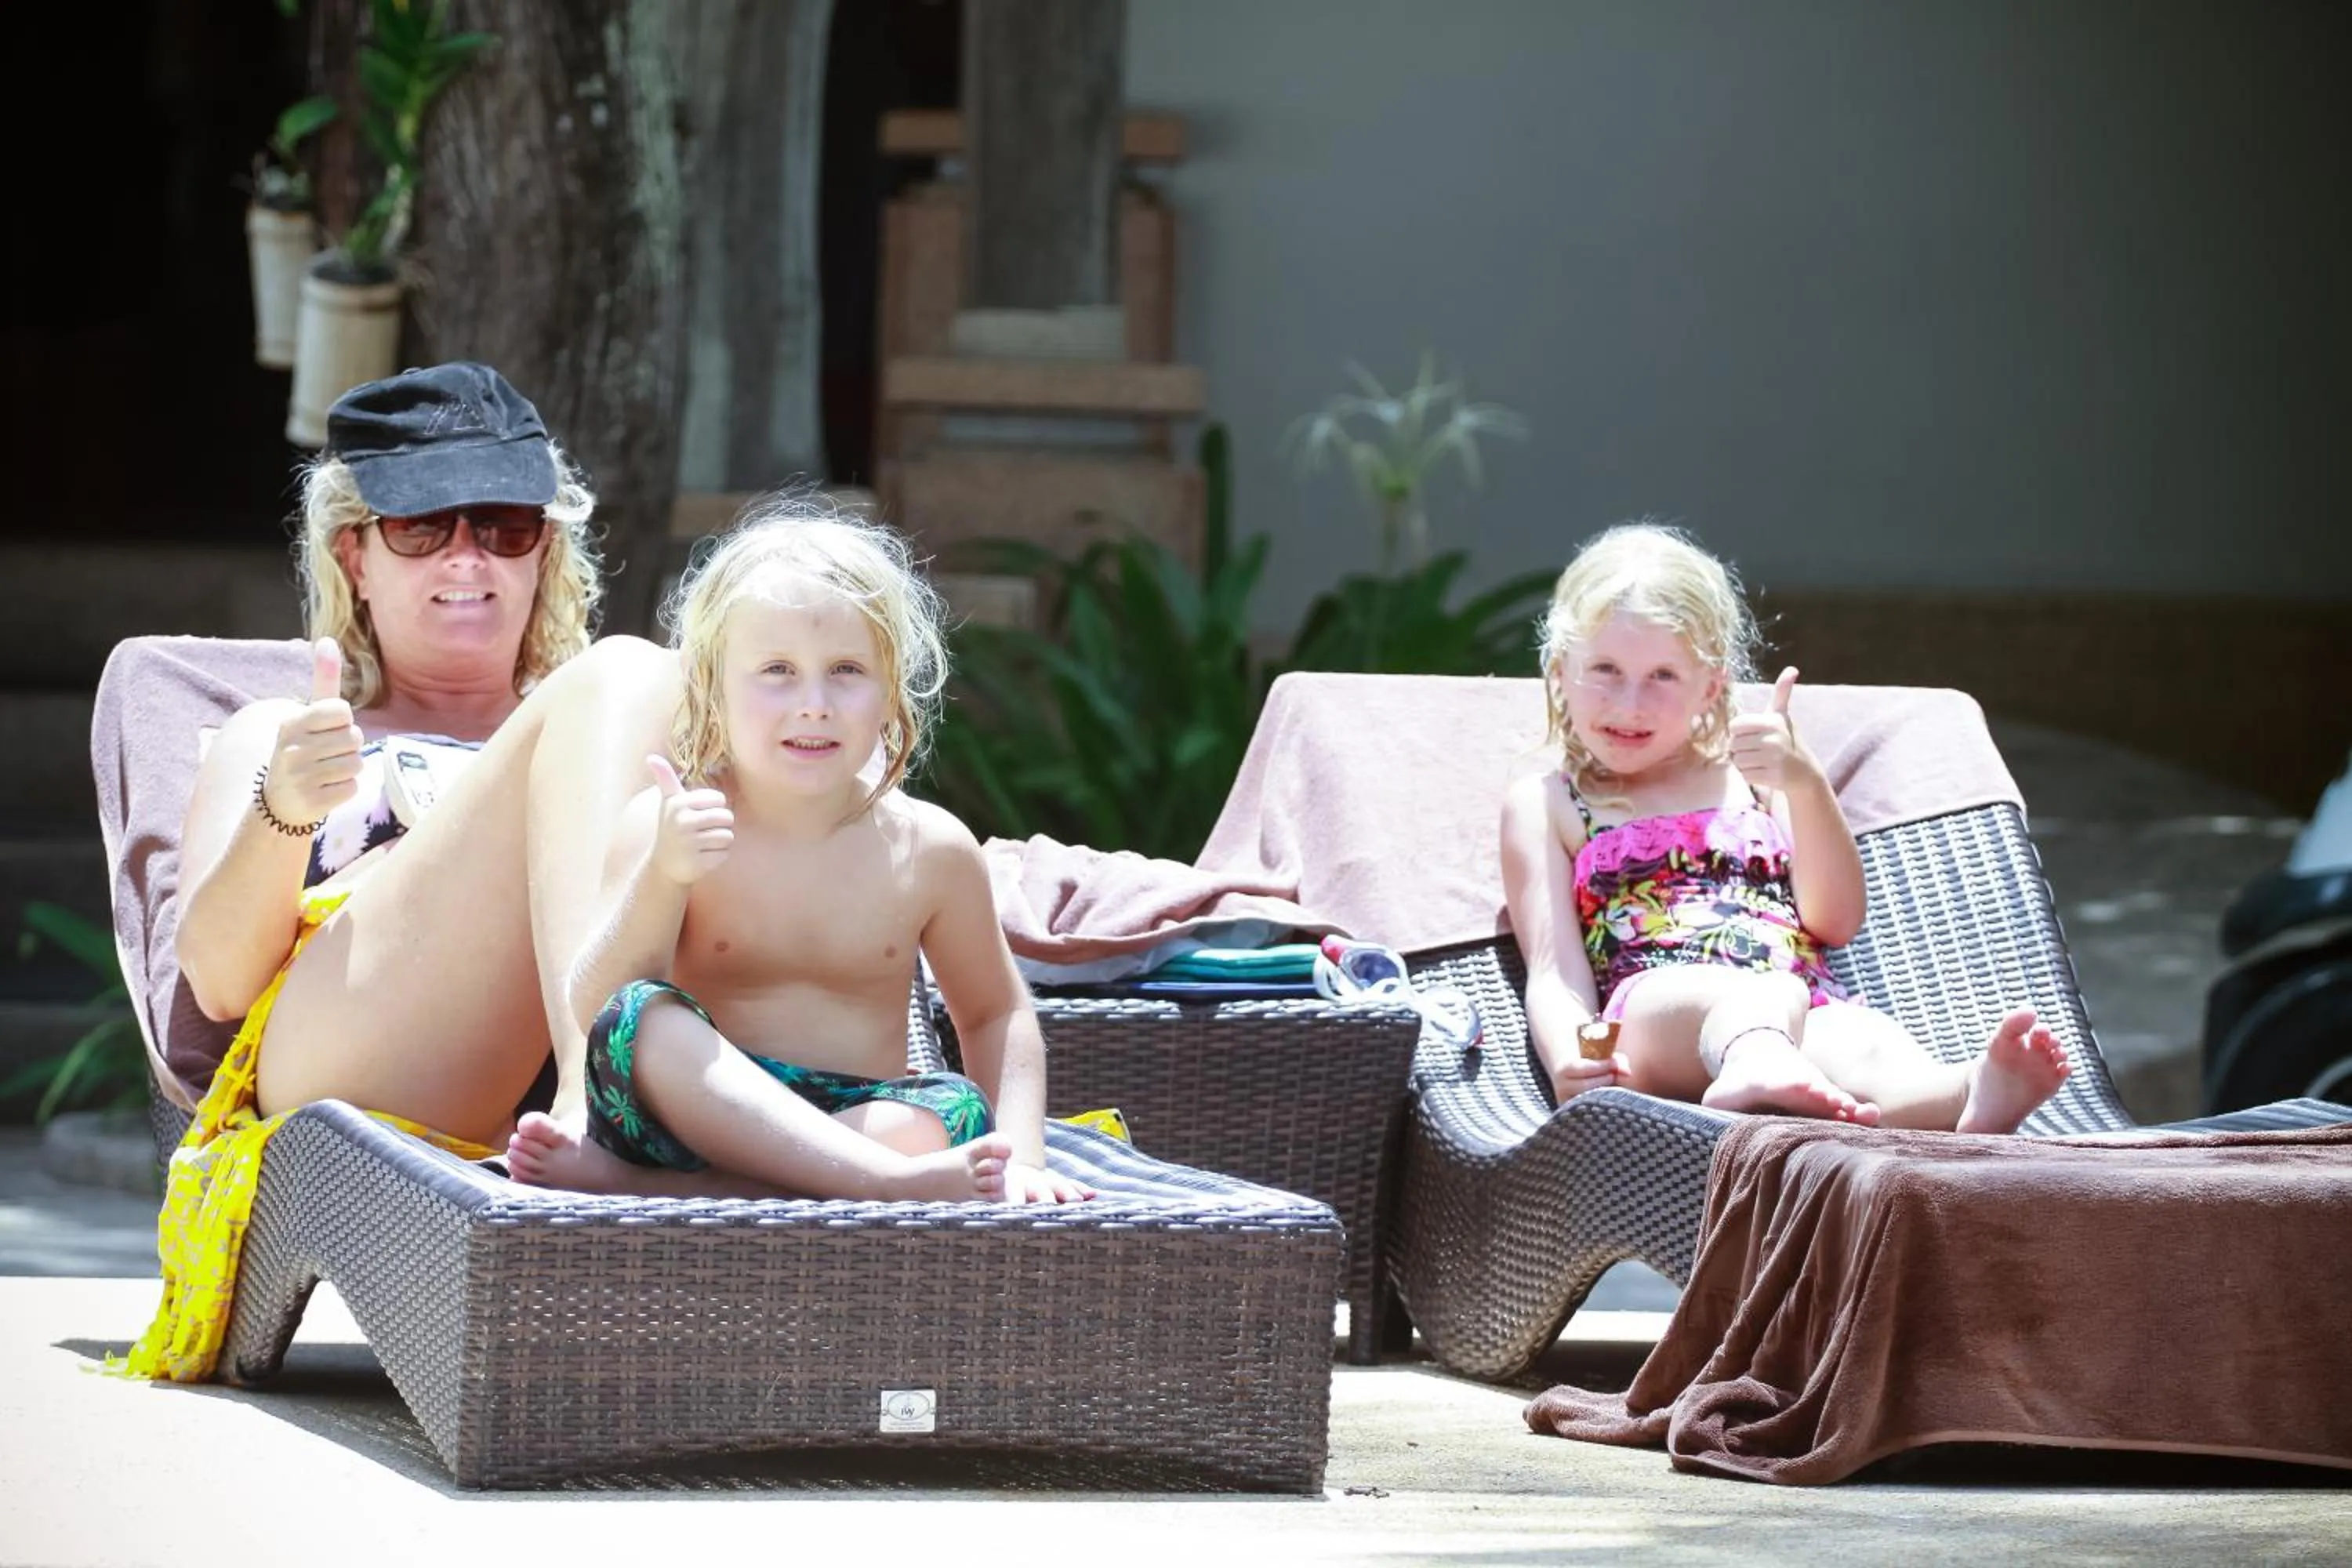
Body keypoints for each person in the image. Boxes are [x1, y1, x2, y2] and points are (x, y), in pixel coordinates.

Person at [504, 502, 1091, 1203]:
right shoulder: (668, 825)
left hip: (860, 1117)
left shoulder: (931, 851)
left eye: (845, 670)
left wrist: (1023, 1160)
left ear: (891, 689)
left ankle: (666, 1189)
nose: (813, 703)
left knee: (958, 1111)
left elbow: (997, 1013)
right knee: (641, 1018)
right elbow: (596, 1004)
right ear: (712, 688)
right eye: (777, 670)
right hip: (697, 1115)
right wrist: (665, 876)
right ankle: (879, 1184)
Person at [1497, 521, 2072, 1131]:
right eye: (1605, 669)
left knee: (1866, 1043)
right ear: (1560, 671)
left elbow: (1834, 920)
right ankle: (1759, 1062)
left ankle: (1966, 1095)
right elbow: (1555, 970)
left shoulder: (1756, 774)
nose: (1630, 702)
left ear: (1711, 686)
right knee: (1744, 996)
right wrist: (1569, 1055)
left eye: (1663, 676)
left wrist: (1805, 782)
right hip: (1654, 1012)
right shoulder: (1550, 802)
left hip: (1798, 1002)